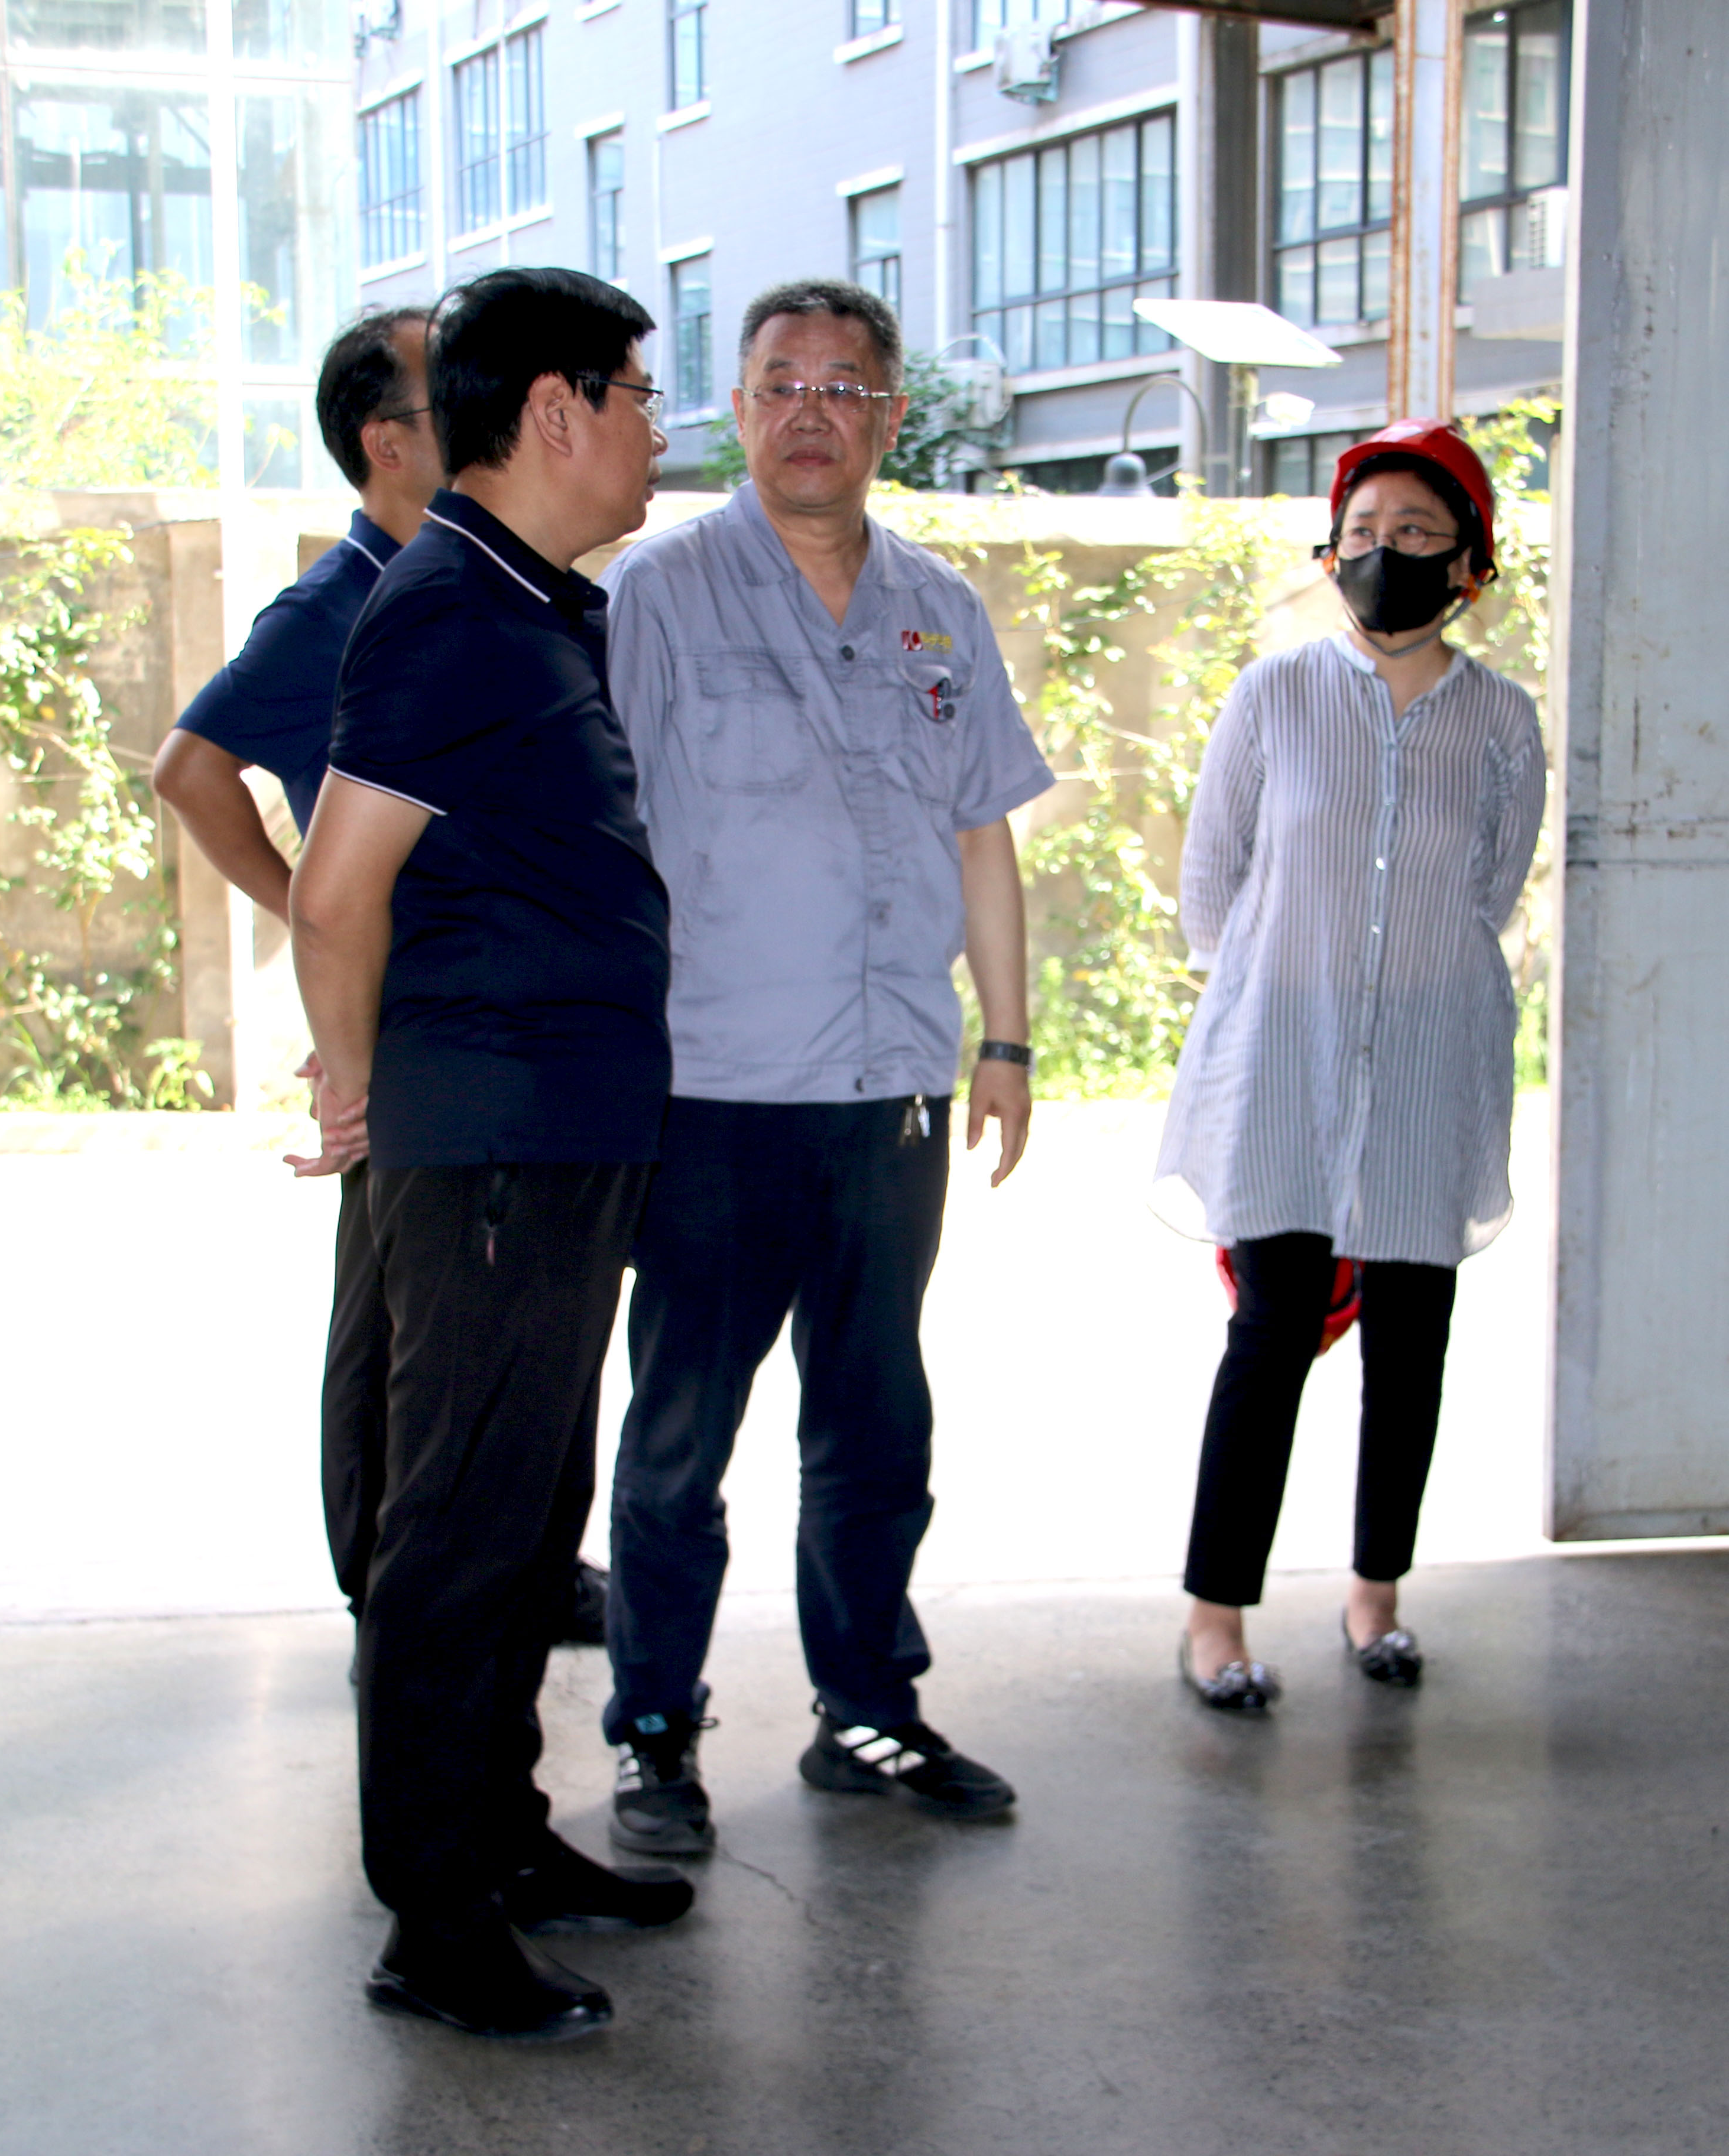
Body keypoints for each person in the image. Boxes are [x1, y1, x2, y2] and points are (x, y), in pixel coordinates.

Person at [598, 278, 1054, 1855]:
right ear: (737, 411)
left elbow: (982, 831)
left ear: (889, 417)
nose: (812, 410)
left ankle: (865, 1712)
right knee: (681, 1438)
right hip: (711, 1096)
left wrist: (1005, 1039)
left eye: (844, 386)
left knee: (873, 1430)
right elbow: (601, 842)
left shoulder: (939, 607)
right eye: (781, 382)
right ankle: (655, 1733)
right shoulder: (658, 596)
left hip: (890, 1095)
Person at [286, 266, 689, 2040]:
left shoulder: (529, 604)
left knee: (529, 1520)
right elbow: (335, 889)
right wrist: (357, 1086)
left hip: (560, 1136)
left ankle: (503, 1836)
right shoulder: (449, 608)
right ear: (554, 410)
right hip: (497, 1141)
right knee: (457, 1534)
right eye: (641, 397)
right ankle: (436, 1923)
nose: (656, 433)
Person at [151, 310, 611, 1654]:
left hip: (522, 1029)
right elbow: (189, 771)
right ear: (385, 443)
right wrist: (319, 911)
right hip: (424, 1024)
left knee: (525, 1321)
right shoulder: (341, 606)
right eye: (443, 395)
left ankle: (530, 1568)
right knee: (403, 1323)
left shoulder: (507, 586)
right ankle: (389, 1591)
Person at [1157, 418, 1546, 1712]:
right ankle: (1217, 1616)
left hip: (1430, 1064)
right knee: (1270, 1336)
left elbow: (1490, 890)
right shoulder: (1273, 696)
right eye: (1366, 532)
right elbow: (1211, 889)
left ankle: (1376, 1597)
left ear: (1470, 565)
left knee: (1413, 1343)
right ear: (1332, 554)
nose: (1388, 553)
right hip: (1286, 1066)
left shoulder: (1501, 721)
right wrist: (1294, 990)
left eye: (1419, 533)